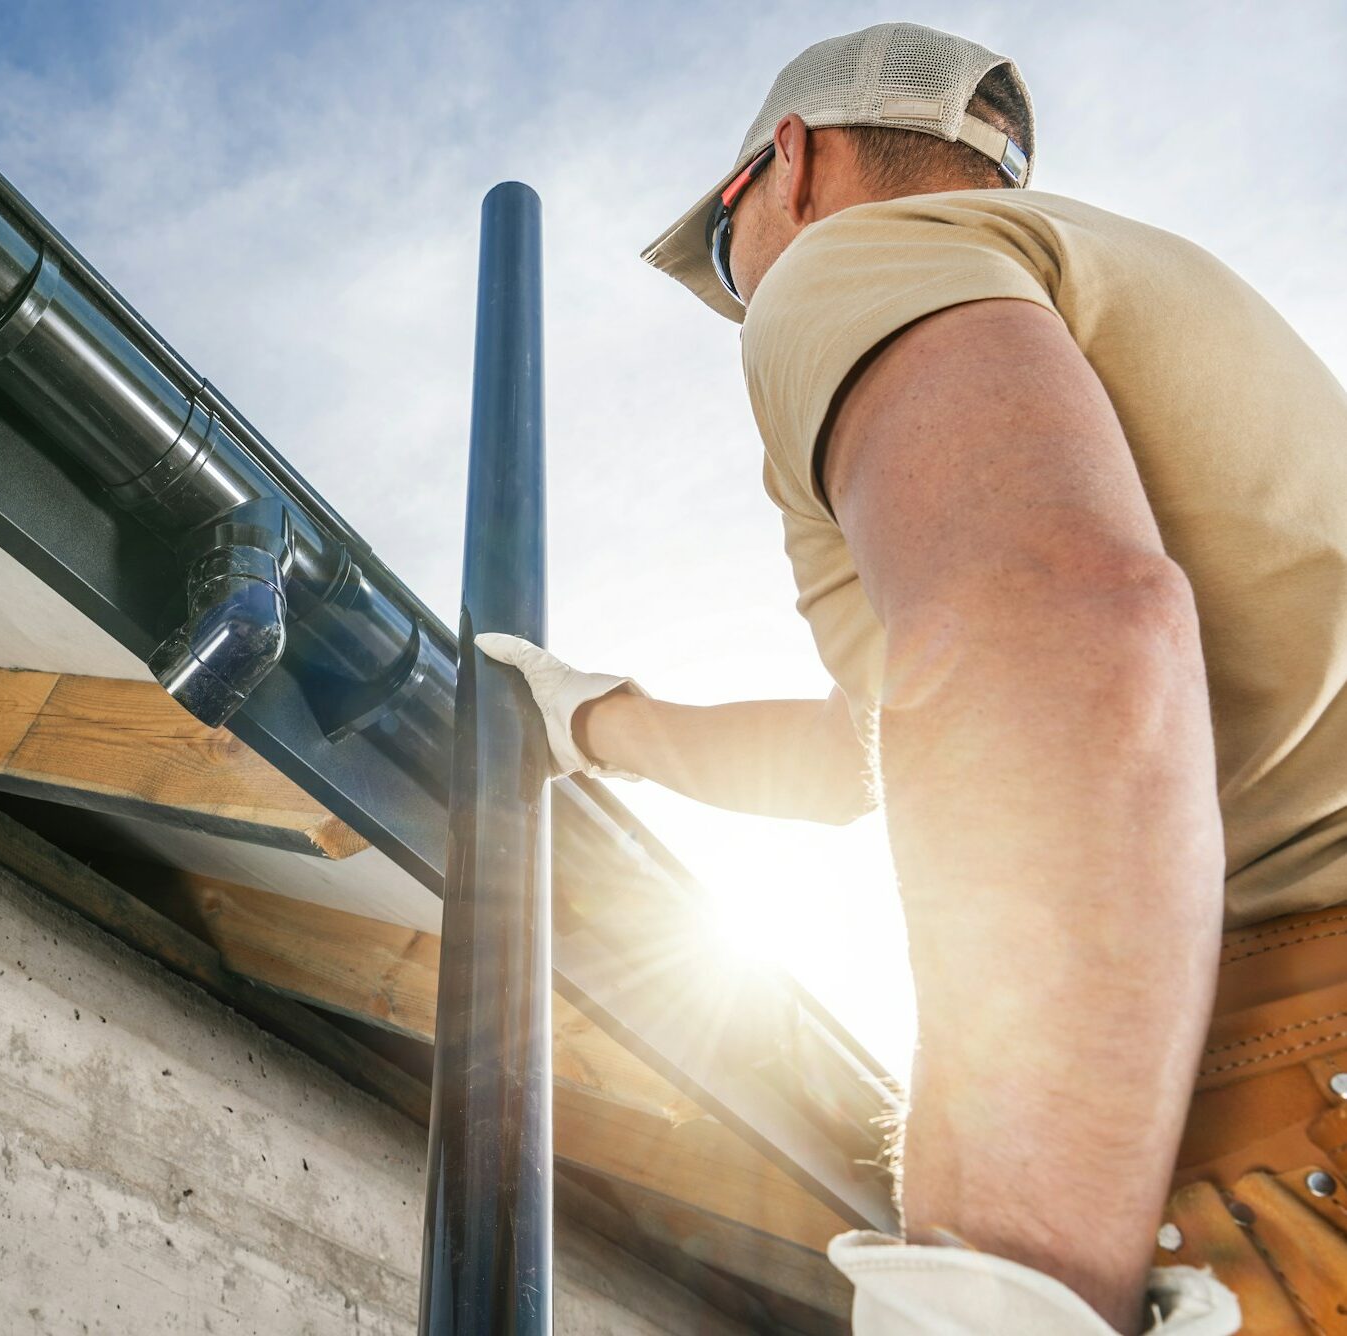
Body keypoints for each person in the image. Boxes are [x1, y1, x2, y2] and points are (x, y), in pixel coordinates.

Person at [477, 20, 1347, 1334]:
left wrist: (1003, 1284)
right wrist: (597, 723)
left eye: (727, 247)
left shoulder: (850, 257)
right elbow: (884, 745)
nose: (743, 294)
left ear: (788, 160)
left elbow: (1058, 627)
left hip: (1294, 1069)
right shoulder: (1131, 285)